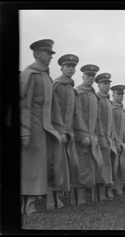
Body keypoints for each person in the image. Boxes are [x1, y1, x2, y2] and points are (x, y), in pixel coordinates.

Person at [20, 39, 65, 214]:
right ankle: (28, 206)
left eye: (51, 54)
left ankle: (38, 202)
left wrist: (59, 129)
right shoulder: (29, 74)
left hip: (44, 129)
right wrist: (24, 132)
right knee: (30, 167)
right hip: (31, 129)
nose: (50, 57)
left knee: (41, 166)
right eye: (47, 54)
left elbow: (52, 107)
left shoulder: (46, 76)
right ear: (37, 54)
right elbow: (24, 104)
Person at [50, 54, 80, 208]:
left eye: (73, 67)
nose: (71, 69)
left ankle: (61, 197)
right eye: (68, 66)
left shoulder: (71, 88)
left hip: (68, 133)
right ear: (61, 68)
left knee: (67, 166)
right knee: (56, 166)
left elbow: (74, 114)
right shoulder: (57, 84)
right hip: (55, 132)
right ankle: (52, 200)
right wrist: (60, 130)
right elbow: (53, 109)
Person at [73, 64, 104, 204]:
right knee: (80, 167)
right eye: (88, 76)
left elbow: (97, 119)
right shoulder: (78, 92)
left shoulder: (93, 96)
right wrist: (82, 135)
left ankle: (89, 198)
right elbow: (76, 115)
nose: (90, 78)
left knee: (91, 167)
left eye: (93, 76)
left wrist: (96, 135)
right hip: (81, 137)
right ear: (82, 77)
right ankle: (78, 200)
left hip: (92, 137)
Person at [95, 73, 118, 200]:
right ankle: (101, 192)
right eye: (105, 83)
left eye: (109, 83)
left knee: (109, 165)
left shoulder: (109, 102)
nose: (107, 86)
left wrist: (112, 137)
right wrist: (101, 136)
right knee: (101, 166)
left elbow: (111, 122)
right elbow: (97, 119)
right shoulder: (97, 98)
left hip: (109, 139)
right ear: (98, 85)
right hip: (100, 138)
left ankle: (108, 189)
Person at [111, 85, 125, 196]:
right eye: (118, 94)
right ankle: (111, 188)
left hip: (121, 142)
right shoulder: (112, 108)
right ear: (113, 95)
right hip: (112, 141)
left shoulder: (120, 110)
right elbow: (111, 127)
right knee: (112, 166)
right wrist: (116, 140)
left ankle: (117, 187)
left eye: (122, 95)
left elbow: (123, 128)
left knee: (120, 166)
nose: (120, 97)